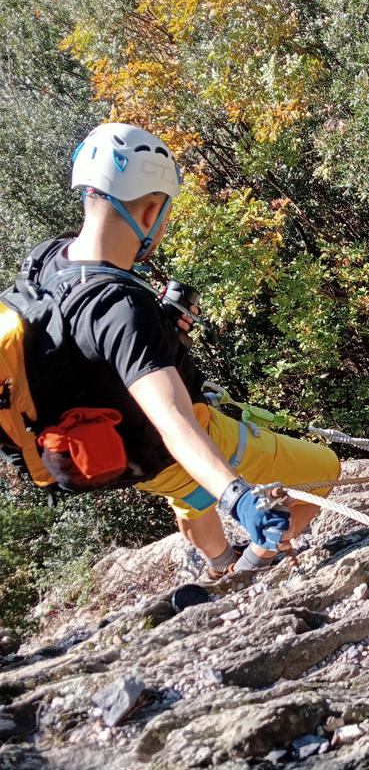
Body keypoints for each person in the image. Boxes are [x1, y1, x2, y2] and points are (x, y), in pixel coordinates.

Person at [24, 122, 339, 577]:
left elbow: (89, 347)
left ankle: (218, 564)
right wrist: (239, 498)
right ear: (151, 212)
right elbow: (175, 421)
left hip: (123, 453)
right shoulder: (120, 306)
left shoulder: (44, 260)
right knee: (324, 469)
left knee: (188, 493)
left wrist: (162, 332)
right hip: (184, 439)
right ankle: (264, 551)